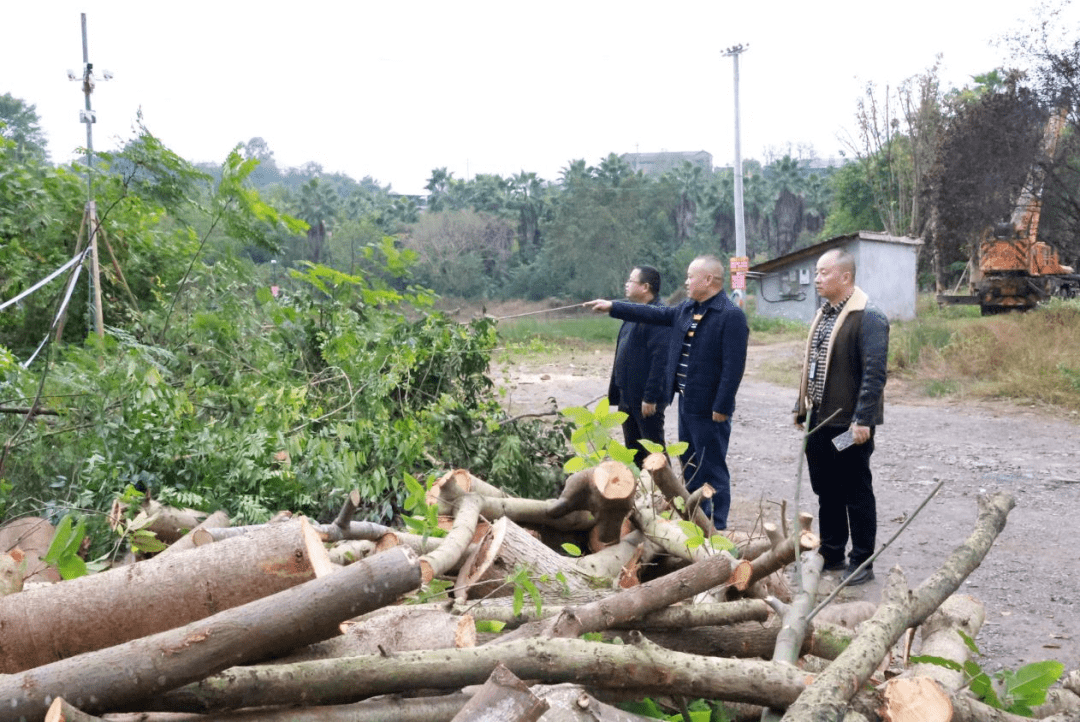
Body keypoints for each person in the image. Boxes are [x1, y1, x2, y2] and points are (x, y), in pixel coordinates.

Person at [586, 255, 749, 530]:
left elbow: (733, 368)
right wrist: (613, 307)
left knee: (712, 467)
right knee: (690, 464)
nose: (685, 282)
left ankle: (718, 525)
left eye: (690, 276)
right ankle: (698, 519)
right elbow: (654, 313)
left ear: (708, 280)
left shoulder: (729, 315)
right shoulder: (688, 309)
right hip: (687, 403)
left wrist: (722, 405)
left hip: (710, 408)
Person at [793, 248, 889, 586]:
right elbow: (811, 366)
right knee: (827, 490)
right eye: (817, 273)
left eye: (823, 273)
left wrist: (863, 419)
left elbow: (874, 373)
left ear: (845, 277)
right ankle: (832, 553)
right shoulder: (824, 314)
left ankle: (862, 561)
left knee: (855, 490)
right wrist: (800, 407)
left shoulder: (869, 316)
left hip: (849, 424)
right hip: (819, 422)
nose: (816, 279)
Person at [608, 266, 671, 468]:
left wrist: (650, 396)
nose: (626, 284)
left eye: (631, 281)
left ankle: (670, 496)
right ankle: (641, 496)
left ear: (645, 287)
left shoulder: (659, 316)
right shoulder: (632, 314)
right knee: (633, 452)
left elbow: (660, 360)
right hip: (628, 396)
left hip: (646, 400)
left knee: (654, 453)